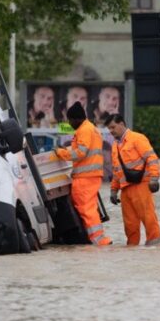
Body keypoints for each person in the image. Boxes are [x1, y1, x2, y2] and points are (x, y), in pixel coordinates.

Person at [54, 102, 112, 246]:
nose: (69, 123)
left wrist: (61, 153)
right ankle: (95, 238)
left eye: (70, 120)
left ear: (76, 119)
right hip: (90, 175)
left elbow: (80, 152)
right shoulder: (90, 129)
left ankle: (99, 240)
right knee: (88, 207)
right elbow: (81, 149)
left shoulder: (84, 130)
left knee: (86, 208)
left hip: (85, 177)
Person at [104, 113, 160, 246]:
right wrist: (113, 190)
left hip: (141, 185)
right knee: (130, 225)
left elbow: (151, 158)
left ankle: (155, 249)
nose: (111, 131)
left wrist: (154, 178)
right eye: (109, 129)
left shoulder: (137, 138)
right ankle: (132, 250)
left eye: (113, 127)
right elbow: (116, 171)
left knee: (149, 219)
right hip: (125, 189)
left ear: (122, 124)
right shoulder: (115, 145)